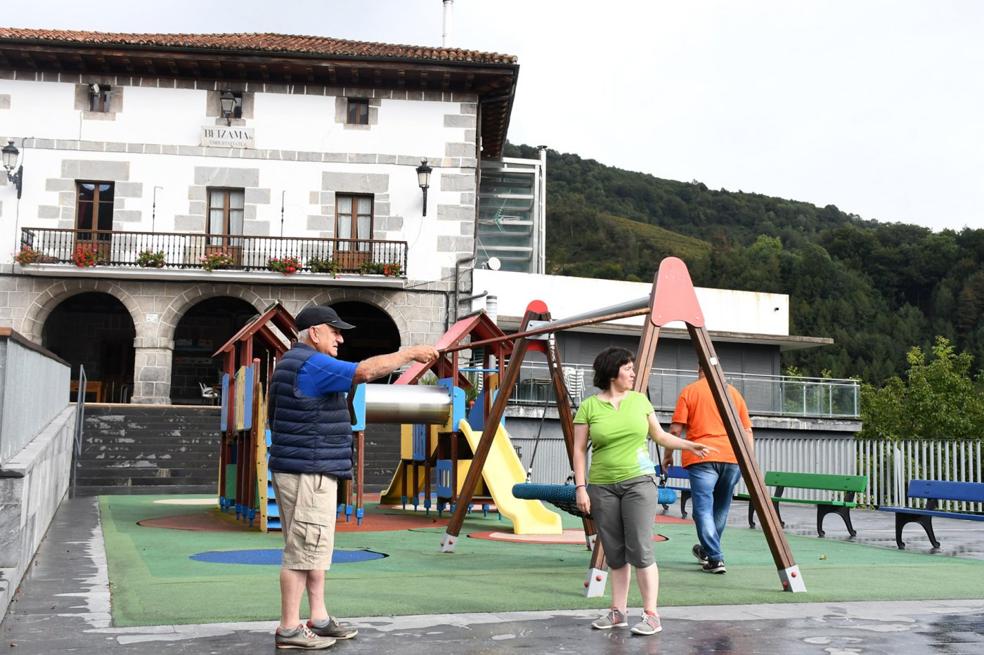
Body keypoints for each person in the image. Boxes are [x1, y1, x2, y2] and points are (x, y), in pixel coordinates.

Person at [268, 305, 439, 650]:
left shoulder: (290, 362)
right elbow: (364, 371)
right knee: (303, 550)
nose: (340, 338)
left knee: (312, 548)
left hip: (301, 466)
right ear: (314, 332)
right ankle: (289, 628)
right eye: (334, 331)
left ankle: (318, 617)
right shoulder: (312, 362)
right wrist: (411, 354)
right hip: (309, 471)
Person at [572, 347, 713, 636]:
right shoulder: (589, 406)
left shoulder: (639, 401)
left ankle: (651, 614)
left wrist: (689, 445)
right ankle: (618, 613)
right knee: (614, 552)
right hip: (601, 486)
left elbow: (660, 436)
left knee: (641, 547)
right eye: (628, 368)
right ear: (613, 371)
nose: (633, 373)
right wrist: (581, 487)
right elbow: (578, 450)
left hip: (639, 481)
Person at [662, 367, 753, 575]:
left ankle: (715, 557)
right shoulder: (734, 393)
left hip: (701, 456)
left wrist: (668, 455)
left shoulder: (690, 391)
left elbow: (675, 430)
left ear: (698, 369)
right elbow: (747, 430)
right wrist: (748, 460)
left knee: (702, 509)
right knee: (721, 508)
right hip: (732, 458)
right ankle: (707, 551)